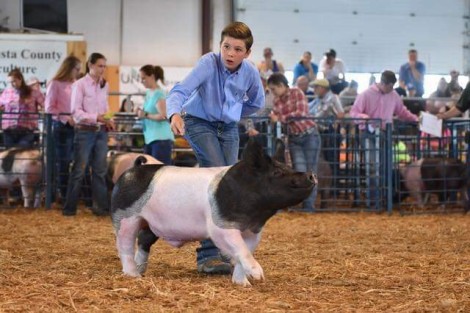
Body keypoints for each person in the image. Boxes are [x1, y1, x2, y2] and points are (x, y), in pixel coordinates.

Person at [166, 22, 265, 275]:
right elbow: (180, 90)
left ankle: (223, 250)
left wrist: (234, 111)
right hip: (198, 123)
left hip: (229, 128)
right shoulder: (208, 63)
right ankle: (208, 255)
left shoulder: (250, 73)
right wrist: (174, 115)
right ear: (220, 46)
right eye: (226, 47)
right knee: (217, 182)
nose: (230, 53)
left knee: (228, 186)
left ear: (247, 53)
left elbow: (257, 102)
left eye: (237, 49)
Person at [350, 70, 418, 209]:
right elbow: (354, 113)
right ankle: (373, 202)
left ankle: (385, 200)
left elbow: (402, 111)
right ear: (383, 83)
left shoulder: (393, 95)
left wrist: (416, 119)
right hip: (368, 133)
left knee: (386, 167)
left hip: (385, 134)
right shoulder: (365, 94)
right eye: (390, 86)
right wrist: (365, 117)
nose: (391, 89)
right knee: (373, 167)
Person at [62, 52, 115, 217]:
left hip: (101, 132)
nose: (103, 69)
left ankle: (101, 209)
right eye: (100, 65)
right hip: (85, 131)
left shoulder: (104, 84)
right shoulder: (80, 84)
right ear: (90, 65)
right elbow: (75, 112)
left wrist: (109, 119)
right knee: (79, 170)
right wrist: (96, 117)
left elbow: (105, 107)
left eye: (104, 66)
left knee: (100, 170)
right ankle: (69, 208)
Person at [267, 73, 321, 212]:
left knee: (310, 171)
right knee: (300, 170)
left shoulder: (297, 92)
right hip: (294, 138)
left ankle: (309, 207)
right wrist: (280, 118)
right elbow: (282, 117)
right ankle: (300, 204)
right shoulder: (276, 101)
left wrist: (280, 118)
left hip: (310, 135)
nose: (273, 93)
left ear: (281, 85)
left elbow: (301, 113)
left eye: (273, 89)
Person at [45, 55, 82, 202]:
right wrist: (67, 119)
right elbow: (49, 108)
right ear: (69, 68)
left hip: (77, 126)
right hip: (62, 127)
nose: (78, 72)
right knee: (64, 162)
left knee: (78, 161)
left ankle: (74, 195)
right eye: (77, 69)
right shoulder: (55, 84)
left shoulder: (77, 84)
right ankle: (64, 195)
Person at [136, 65, 174, 164]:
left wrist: (146, 115)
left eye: (144, 78)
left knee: (159, 172)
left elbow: (164, 115)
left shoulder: (159, 94)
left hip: (160, 139)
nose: (142, 81)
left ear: (152, 76)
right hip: (151, 138)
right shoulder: (149, 93)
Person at [0, 68, 44, 148]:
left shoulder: (33, 92)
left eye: (14, 81)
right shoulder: (6, 92)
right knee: (10, 156)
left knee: (23, 154)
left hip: (26, 129)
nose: (12, 84)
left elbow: (45, 105)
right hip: (9, 129)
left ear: (20, 79)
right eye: (10, 82)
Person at [309, 78, 344, 168]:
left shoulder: (333, 98)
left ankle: (332, 179)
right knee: (322, 157)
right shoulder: (317, 100)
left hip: (329, 131)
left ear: (322, 88)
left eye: (316, 87)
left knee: (330, 157)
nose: (314, 90)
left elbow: (340, 113)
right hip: (319, 131)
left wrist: (336, 124)